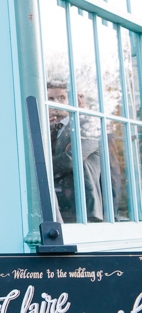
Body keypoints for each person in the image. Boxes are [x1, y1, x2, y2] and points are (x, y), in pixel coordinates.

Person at [48, 82, 102, 222]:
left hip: (81, 206)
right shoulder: (49, 129)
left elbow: (70, 159)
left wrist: (42, 165)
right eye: (51, 99)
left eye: (61, 98)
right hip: (56, 207)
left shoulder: (85, 124)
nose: (56, 103)